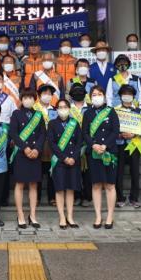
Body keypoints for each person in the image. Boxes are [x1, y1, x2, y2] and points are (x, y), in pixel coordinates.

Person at [83, 85, 119, 229]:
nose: (97, 97)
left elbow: (115, 131)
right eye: (94, 94)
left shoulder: (111, 111)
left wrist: (105, 145)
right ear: (90, 97)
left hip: (109, 152)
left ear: (104, 96)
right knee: (96, 185)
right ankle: (98, 216)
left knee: (110, 185)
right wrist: (93, 145)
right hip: (94, 153)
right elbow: (85, 132)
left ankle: (110, 216)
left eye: (99, 94)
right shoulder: (88, 113)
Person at [10, 89, 46, 229]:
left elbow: (42, 134)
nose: (28, 100)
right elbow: (13, 133)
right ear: (21, 99)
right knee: (19, 184)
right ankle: (20, 215)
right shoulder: (16, 114)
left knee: (33, 185)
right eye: (25, 97)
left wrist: (37, 149)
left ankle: (33, 215)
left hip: (35, 154)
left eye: (31, 97)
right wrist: (25, 147)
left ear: (34, 99)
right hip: (21, 153)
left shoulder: (38, 115)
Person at [47, 98, 83, 229]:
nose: (63, 109)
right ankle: (62, 217)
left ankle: (70, 217)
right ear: (56, 110)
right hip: (59, 161)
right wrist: (64, 158)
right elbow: (52, 143)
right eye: (60, 107)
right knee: (60, 189)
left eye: (65, 107)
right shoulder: (52, 123)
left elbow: (79, 142)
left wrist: (73, 157)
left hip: (73, 161)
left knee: (70, 189)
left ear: (69, 109)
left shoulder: (74, 123)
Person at [115, 84, 141, 209]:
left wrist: (134, 134)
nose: (127, 96)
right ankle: (120, 198)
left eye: (130, 94)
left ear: (133, 96)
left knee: (135, 172)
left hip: (134, 144)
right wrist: (120, 135)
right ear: (120, 96)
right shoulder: (115, 110)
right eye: (124, 94)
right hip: (119, 144)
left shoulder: (138, 110)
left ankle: (134, 198)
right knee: (118, 172)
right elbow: (111, 127)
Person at [34, 84, 58, 206]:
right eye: (45, 93)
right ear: (39, 95)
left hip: (51, 144)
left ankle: (52, 197)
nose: (47, 96)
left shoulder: (55, 110)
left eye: (49, 94)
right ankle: (36, 197)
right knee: (37, 171)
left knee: (51, 171)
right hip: (37, 143)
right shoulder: (34, 109)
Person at [69, 84, 91, 207]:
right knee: (74, 172)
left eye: (80, 91)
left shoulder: (90, 108)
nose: (78, 93)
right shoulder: (68, 108)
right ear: (71, 95)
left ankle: (87, 196)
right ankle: (77, 196)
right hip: (72, 144)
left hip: (88, 143)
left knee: (87, 173)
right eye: (75, 91)